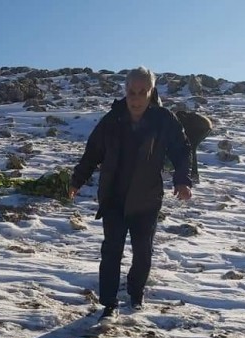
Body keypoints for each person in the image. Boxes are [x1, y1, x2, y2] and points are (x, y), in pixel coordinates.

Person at [68, 66, 193, 321]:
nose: (135, 99)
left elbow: (181, 150)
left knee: (142, 252)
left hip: (147, 199)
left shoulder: (163, 119)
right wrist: (77, 180)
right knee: (111, 251)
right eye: (131, 92)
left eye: (141, 92)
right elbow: (93, 152)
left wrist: (182, 180)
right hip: (114, 197)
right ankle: (109, 304)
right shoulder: (112, 119)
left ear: (151, 92)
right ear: (125, 91)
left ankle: (136, 294)